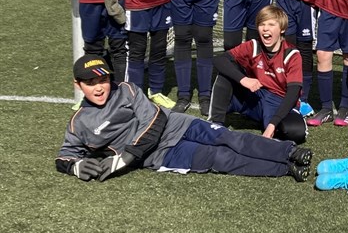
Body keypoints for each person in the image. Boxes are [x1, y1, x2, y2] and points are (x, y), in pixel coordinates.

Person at [56, 54, 314, 182]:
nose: (99, 88)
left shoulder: (126, 90)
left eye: (103, 80)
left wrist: (125, 157)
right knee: (219, 158)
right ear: (78, 84)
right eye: (90, 83)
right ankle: (286, 168)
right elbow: (65, 155)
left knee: (229, 138)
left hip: (177, 124)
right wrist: (75, 167)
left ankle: (289, 152)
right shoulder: (79, 124)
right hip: (161, 155)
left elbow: (154, 120)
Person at [208, 5, 308, 144]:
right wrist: (243, 79)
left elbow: (293, 92)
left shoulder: (291, 55)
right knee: (226, 71)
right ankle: (216, 124)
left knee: (295, 132)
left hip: (279, 101)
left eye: (271, 24)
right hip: (255, 96)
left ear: (282, 29)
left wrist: (273, 123)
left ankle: (271, 121)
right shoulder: (254, 45)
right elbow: (219, 60)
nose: (265, 28)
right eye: (262, 24)